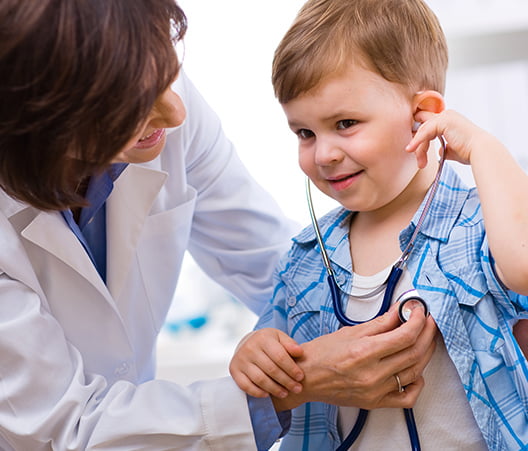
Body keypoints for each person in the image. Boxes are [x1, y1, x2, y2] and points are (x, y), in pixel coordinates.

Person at [0, 0, 440, 449]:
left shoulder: (157, 100)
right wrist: (283, 380)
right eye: (128, 109)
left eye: (167, 74)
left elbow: (279, 266)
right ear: (42, 124)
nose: (175, 114)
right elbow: (64, 430)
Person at [230, 0, 528, 449]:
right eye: (305, 133)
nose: (323, 153)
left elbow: (522, 265)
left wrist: (485, 148)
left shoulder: (478, 226)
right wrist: (253, 354)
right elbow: (269, 362)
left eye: (345, 123)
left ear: (422, 115)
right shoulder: (307, 257)